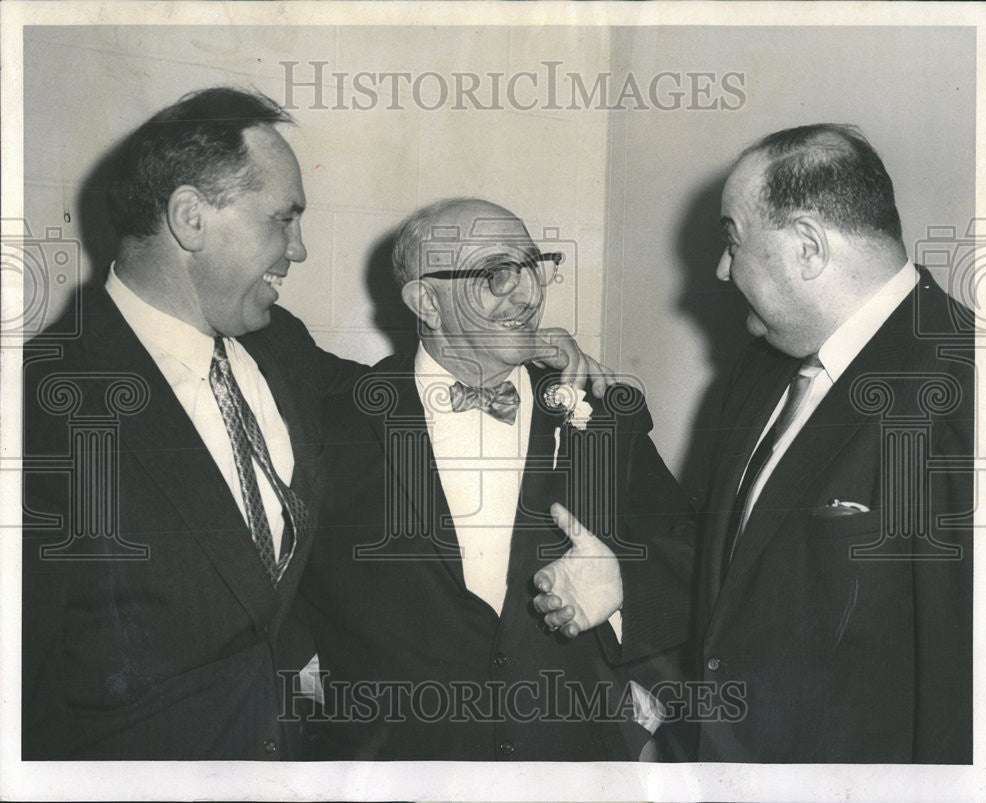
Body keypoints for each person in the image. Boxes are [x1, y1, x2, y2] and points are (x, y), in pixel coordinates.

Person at [21, 90, 602, 760]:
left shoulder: (279, 345)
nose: (297, 249)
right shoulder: (39, 407)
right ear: (189, 218)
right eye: (282, 219)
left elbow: (398, 390)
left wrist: (520, 354)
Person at [536, 124, 974, 763]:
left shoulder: (965, 388)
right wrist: (627, 591)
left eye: (732, 240)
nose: (719, 268)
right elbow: (743, 589)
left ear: (807, 247)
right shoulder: (760, 370)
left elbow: (961, 693)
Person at [295, 198, 696, 760]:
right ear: (427, 302)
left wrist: (624, 588)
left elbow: (690, 560)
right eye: (496, 273)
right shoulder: (331, 425)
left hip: (571, 769)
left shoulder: (601, 413)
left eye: (535, 266)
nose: (530, 294)